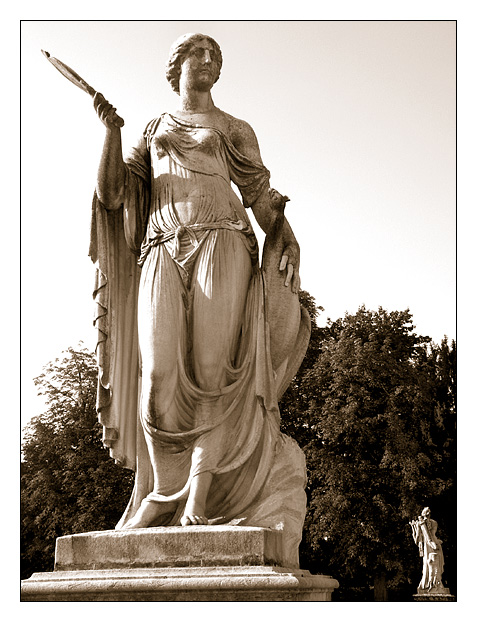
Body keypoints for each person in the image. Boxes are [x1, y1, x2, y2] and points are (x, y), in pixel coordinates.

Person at [90, 33, 309, 536]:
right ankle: (162, 494)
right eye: (199, 53)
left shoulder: (234, 128)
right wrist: (111, 133)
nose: (210, 61)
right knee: (157, 381)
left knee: (213, 375)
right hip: (162, 246)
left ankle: (199, 496)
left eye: (217, 57)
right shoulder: (153, 128)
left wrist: (287, 236)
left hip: (224, 241)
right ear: (177, 66)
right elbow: (112, 193)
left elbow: (258, 194)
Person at [410, 507, 446, 592]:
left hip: (429, 545)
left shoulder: (421, 523)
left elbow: (418, 538)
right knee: (437, 564)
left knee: (429, 563)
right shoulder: (434, 523)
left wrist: (414, 530)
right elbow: (433, 535)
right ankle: (436, 583)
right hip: (435, 544)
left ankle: (430, 584)